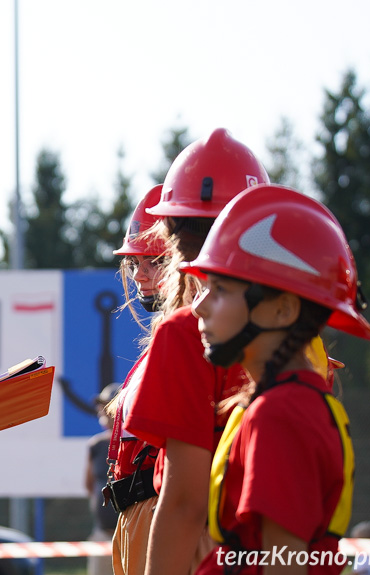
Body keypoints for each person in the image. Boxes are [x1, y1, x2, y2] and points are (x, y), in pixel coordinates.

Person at [182, 184, 370, 574]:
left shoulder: (280, 414)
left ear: (283, 310)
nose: (199, 305)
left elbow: (284, 564)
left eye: (220, 289)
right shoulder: (293, 402)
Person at [123, 128, 270, 575]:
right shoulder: (298, 334)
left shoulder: (189, 331)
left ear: (173, 238)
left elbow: (185, 503)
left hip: (206, 551)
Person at [103, 185, 168, 575]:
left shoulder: (197, 338)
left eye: (153, 261)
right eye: (134, 263)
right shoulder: (164, 339)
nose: (139, 274)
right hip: (137, 518)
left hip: (159, 515)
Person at [85, 382, 121, 575]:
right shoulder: (96, 445)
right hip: (102, 533)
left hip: (130, 533)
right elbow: (90, 485)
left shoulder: (137, 441)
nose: (101, 410)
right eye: (101, 406)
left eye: (106, 405)